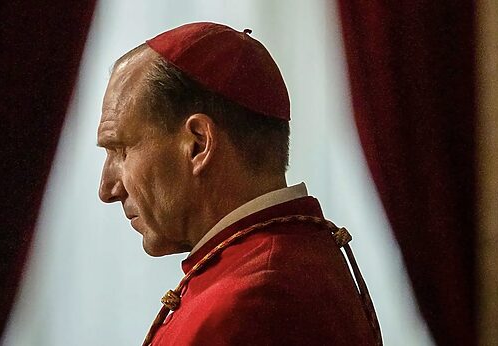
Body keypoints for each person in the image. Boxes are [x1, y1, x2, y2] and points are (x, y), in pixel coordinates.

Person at [97, 22, 381, 345]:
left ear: (198, 144)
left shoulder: (251, 304)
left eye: (120, 150)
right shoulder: (289, 258)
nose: (106, 189)